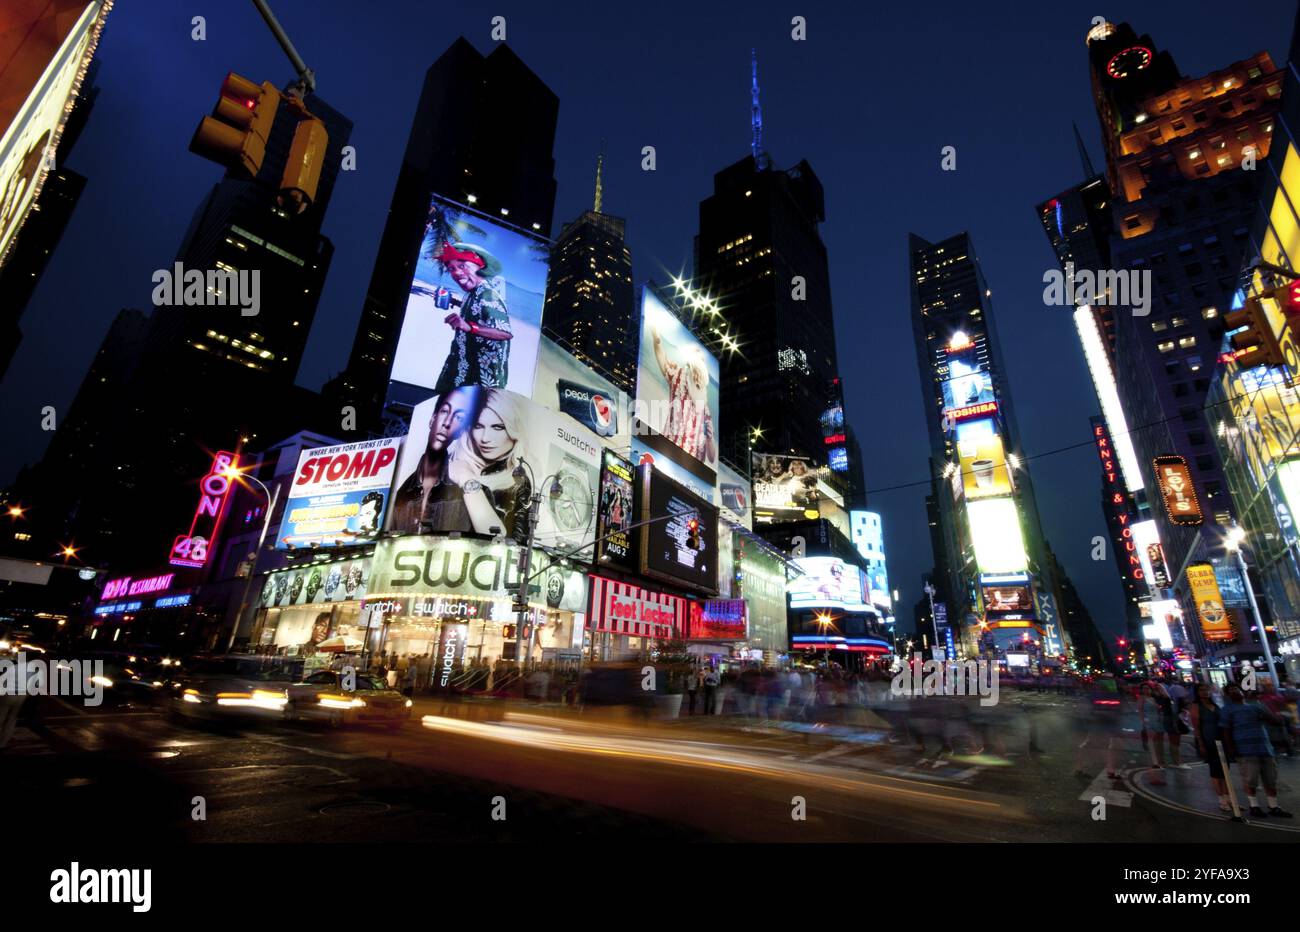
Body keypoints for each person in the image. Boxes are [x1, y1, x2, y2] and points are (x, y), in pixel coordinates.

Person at [390, 387, 482, 534]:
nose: (447, 422)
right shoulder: (401, 493)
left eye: (458, 418)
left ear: (459, 431)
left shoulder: (466, 489)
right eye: (445, 411)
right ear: (433, 419)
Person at [431, 242, 514, 396]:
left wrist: (469, 327)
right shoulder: (472, 292)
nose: (456, 273)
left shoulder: (488, 295)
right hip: (461, 367)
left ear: (479, 267)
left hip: (481, 378)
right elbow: (477, 310)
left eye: (462, 266)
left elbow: (505, 333)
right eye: (451, 269)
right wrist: (452, 301)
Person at [449, 389, 532, 541]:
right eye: (478, 426)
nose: (485, 438)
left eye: (498, 427)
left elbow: (507, 541)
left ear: (514, 430)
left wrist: (467, 479)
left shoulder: (519, 481)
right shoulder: (448, 465)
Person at [1221, 682, 1292, 818]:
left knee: (1270, 779)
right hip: (1245, 749)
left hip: (1264, 747)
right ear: (1227, 695)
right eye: (1230, 690)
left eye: (1236, 688)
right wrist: (1231, 748)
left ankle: (1273, 806)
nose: (1235, 691)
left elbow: (1275, 720)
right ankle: (1254, 806)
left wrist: (1277, 711)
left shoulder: (1255, 705)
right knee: (1250, 779)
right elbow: (1226, 730)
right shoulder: (1227, 709)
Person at [651, 326, 716, 465]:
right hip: (667, 451)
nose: (699, 375)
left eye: (702, 369)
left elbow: (712, 458)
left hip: (689, 466)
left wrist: (710, 439)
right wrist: (657, 340)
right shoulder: (678, 377)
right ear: (691, 367)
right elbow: (662, 359)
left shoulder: (704, 407)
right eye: (697, 367)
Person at [1189, 683, 1232, 813]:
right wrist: (1201, 744)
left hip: (1222, 739)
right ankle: (1221, 799)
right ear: (1197, 693)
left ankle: (1229, 798)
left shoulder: (1215, 705)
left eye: (1206, 690)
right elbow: (1196, 727)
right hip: (1209, 740)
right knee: (1215, 770)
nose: (1204, 692)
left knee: (1225, 769)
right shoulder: (1196, 707)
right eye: (1201, 690)